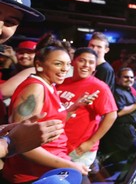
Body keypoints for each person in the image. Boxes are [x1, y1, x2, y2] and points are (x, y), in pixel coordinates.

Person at [2, 37, 89, 183]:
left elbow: (51, 123)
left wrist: (73, 108)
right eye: (58, 64)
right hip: (34, 175)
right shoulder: (35, 88)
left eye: (67, 64)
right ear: (39, 65)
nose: (65, 69)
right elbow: (20, 143)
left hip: (53, 166)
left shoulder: (50, 85)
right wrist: (70, 165)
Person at [0, 0, 64, 158]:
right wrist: (9, 144)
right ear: (40, 64)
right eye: (58, 63)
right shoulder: (34, 83)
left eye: (11, 22)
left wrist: (5, 132)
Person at [57, 47, 117, 170]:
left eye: (91, 63)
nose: (86, 65)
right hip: (57, 145)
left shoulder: (99, 87)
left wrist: (91, 142)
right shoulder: (61, 82)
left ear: (95, 67)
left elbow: (112, 115)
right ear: (73, 62)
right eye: (82, 61)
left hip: (78, 149)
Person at [100, 67, 136, 164]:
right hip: (120, 130)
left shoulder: (128, 90)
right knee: (131, 156)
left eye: (132, 77)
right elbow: (119, 112)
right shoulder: (117, 92)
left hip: (128, 129)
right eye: (126, 77)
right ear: (118, 78)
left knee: (132, 156)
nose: (130, 80)